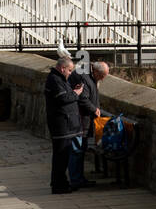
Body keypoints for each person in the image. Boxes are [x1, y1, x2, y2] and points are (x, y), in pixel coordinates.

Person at [44, 57, 84, 194]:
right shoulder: (55, 79)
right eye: (69, 70)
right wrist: (76, 93)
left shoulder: (59, 78)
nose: (70, 73)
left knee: (62, 157)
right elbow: (63, 98)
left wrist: (72, 90)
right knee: (60, 157)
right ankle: (58, 185)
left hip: (65, 124)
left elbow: (64, 95)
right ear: (62, 68)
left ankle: (60, 183)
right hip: (61, 124)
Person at [69, 60, 108, 190]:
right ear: (96, 72)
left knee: (80, 150)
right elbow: (82, 99)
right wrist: (94, 109)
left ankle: (79, 178)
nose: (102, 79)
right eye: (102, 76)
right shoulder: (84, 78)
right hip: (80, 121)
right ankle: (76, 179)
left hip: (84, 122)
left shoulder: (88, 76)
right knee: (77, 151)